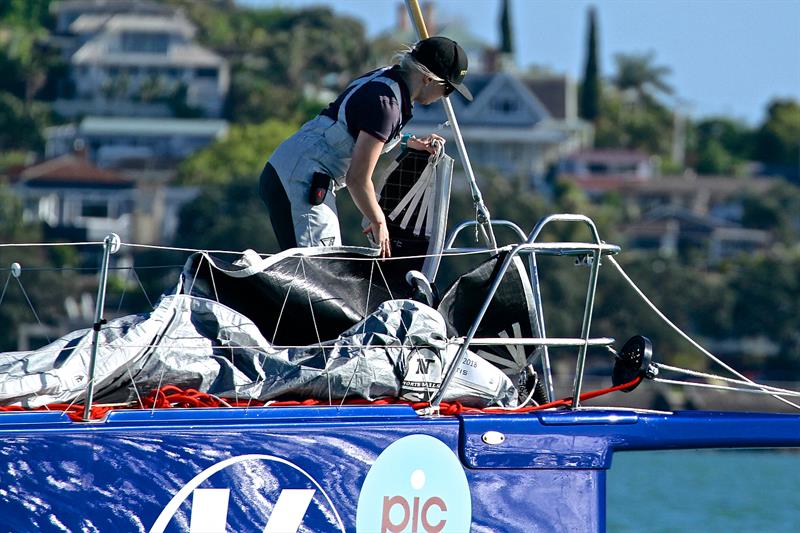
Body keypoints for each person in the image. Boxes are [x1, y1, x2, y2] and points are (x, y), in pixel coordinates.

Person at [258, 36, 472, 258]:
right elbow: (358, 179)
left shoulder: (389, 78)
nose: (445, 97)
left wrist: (409, 141)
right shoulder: (387, 105)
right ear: (428, 79)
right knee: (321, 270)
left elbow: (365, 131)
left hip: (288, 169)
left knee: (317, 273)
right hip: (301, 179)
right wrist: (378, 220)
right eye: (447, 89)